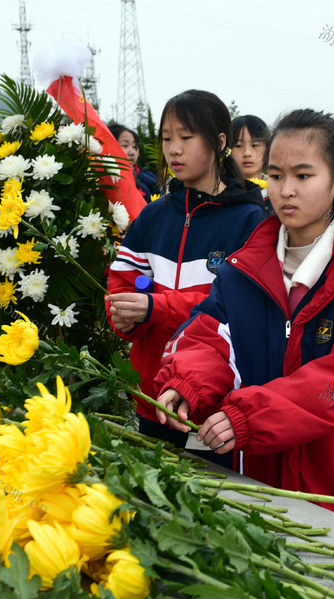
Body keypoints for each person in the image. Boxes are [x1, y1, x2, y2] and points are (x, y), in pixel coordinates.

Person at [153, 109, 334, 540]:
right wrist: (187, 383)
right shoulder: (244, 268)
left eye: (303, 176)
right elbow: (209, 337)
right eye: (275, 175)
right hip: (260, 466)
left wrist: (247, 417)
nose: (285, 190)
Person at [106, 90, 267, 465]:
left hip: (216, 407)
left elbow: (238, 310)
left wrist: (156, 307)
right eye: (166, 138)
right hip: (152, 397)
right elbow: (124, 283)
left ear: (219, 142)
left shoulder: (249, 220)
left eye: (185, 137)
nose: (173, 149)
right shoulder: (153, 216)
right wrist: (126, 318)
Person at [108, 123, 158, 200]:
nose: (132, 152)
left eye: (134, 147)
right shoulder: (100, 181)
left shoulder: (149, 178)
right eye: (125, 145)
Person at [230, 115, 270, 184]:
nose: (247, 153)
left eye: (255, 145)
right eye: (239, 146)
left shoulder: (279, 190)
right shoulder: (218, 191)